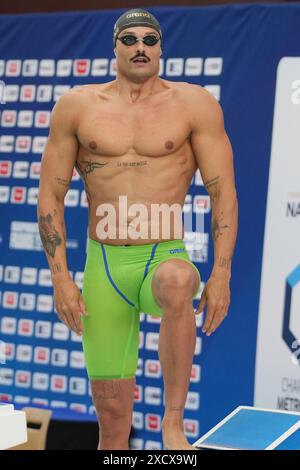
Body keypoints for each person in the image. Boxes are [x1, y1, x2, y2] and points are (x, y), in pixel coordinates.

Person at [37, 8, 238, 451]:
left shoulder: (193, 105)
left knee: (179, 279)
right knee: (112, 426)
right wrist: (60, 280)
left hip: (161, 253)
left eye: (150, 39)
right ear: (115, 48)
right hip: (104, 265)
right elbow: (50, 196)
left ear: (162, 47)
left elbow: (224, 192)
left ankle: (173, 422)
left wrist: (220, 273)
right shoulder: (77, 107)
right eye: (129, 39)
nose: (140, 47)